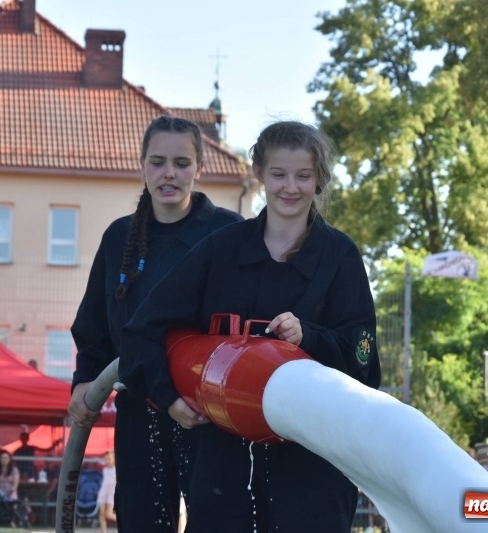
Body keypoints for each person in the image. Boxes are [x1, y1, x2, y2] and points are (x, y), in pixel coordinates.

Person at [118, 120, 381, 532]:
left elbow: (364, 360)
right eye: (278, 174)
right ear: (259, 173)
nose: (290, 187)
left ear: (319, 179)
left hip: (313, 464)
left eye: (303, 176)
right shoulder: (222, 248)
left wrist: (309, 337)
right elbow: (143, 329)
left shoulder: (339, 256)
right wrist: (167, 397)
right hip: (225, 462)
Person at [68, 114, 244, 531]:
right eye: (158, 162)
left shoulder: (228, 232)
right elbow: (96, 323)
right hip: (139, 403)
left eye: (181, 164)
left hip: (207, 408)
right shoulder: (119, 237)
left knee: (216, 519)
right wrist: (85, 379)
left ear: (199, 169)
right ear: (142, 165)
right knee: (141, 519)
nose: (169, 174)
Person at [96, 451, 116, 533]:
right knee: (102, 514)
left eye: (109, 459)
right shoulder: (105, 469)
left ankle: (126, 522)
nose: (107, 461)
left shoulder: (116, 470)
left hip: (111, 492)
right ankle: (103, 531)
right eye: (106, 459)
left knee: (108, 514)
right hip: (104, 491)